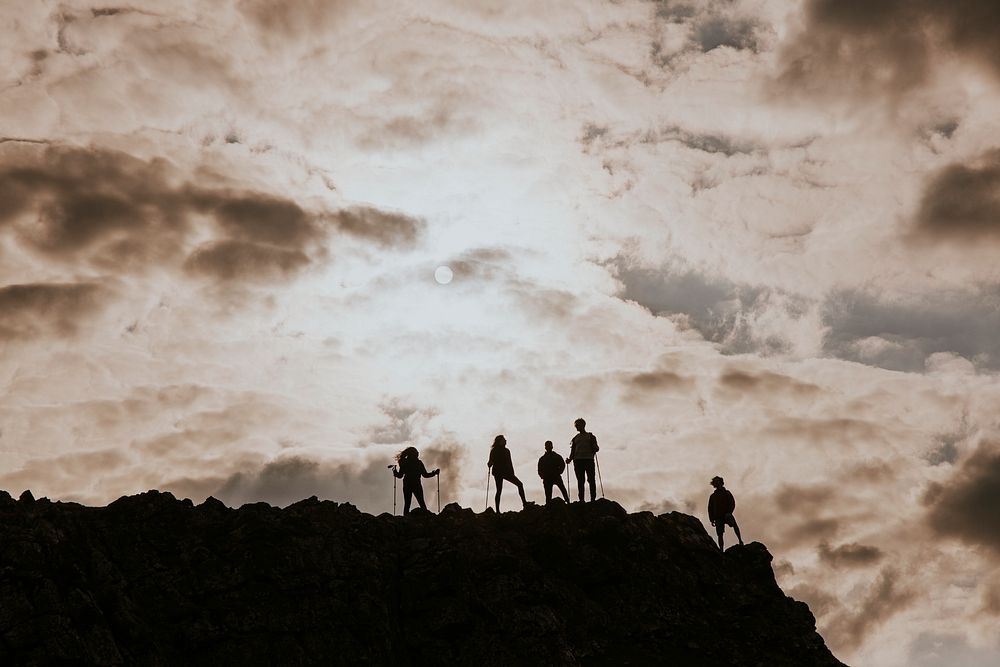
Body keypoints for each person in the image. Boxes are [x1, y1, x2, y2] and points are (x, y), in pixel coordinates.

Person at [392, 447, 439, 515]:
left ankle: (405, 519)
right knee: (421, 503)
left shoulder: (404, 462)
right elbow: (425, 475)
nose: (418, 454)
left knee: (407, 504)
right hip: (416, 484)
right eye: (416, 453)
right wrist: (434, 473)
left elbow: (400, 476)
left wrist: (395, 472)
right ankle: (426, 518)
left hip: (407, 484)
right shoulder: (418, 463)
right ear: (413, 454)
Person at [487, 435, 527, 512]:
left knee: (499, 490)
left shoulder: (495, 450)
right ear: (500, 441)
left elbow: (491, 462)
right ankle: (524, 503)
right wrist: (512, 473)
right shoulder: (504, 451)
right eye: (504, 440)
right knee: (519, 484)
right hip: (504, 472)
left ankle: (498, 511)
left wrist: (489, 464)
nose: (505, 441)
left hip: (499, 472)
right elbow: (509, 463)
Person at [566, 418, 599, 502]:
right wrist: (570, 459)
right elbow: (573, 451)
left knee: (589, 480)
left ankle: (591, 499)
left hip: (586, 460)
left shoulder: (590, 436)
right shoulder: (577, 438)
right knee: (582, 480)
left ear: (583, 425)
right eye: (576, 426)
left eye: (577, 425)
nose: (576, 427)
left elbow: (596, 448)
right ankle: (583, 499)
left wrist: (570, 459)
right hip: (580, 461)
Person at [708, 476, 744, 550]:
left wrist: (729, 512)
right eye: (715, 481)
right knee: (720, 534)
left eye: (718, 481)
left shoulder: (727, 492)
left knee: (734, 525)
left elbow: (732, 503)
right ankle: (721, 549)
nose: (717, 482)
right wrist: (711, 519)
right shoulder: (713, 496)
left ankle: (740, 540)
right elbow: (710, 508)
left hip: (727, 514)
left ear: (721, 482)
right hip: (718, 517)